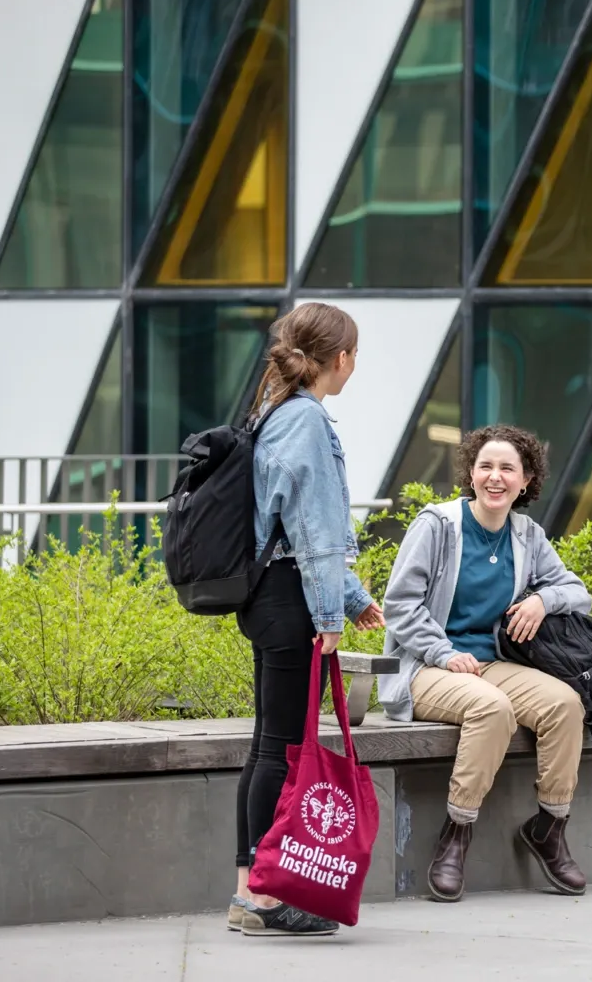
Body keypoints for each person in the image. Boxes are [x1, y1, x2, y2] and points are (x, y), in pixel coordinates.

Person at [379, 424, 592, 902]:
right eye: (485, 467)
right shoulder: (437, 526)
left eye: (507, 469)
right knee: (492, 709)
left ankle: (550, 827)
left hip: (491, 664)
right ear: (471, 474)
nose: (495, 477)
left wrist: (544, 601)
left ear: (526, 480)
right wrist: (444, 653)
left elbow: (578, 593)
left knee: (564, 704)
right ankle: (457, 833)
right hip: (426, 666)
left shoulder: (526, 534)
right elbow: (400, 605)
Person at [231, 302, 384, 938]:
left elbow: (297, 529)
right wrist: (331, 614)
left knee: (270, 744)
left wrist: (350, 597)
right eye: (354, 355)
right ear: (340, 358)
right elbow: (317, 533)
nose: (355, 366)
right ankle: (261, 897)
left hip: (272, 593)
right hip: (293, 600)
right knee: (282, 748)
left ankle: (249, 889)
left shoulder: (275, 412)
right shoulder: (308, 420)